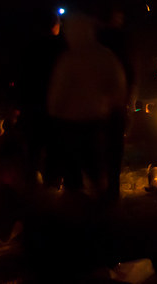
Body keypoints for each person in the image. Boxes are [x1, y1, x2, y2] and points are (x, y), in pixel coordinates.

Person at [45, 13, 128, 202]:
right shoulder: (104, 56)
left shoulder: (69, 59)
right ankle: (98, 198)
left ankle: (80, 201)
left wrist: (54, 110)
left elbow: (58, 90)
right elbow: (118, 85)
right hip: (95, 118)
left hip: (73, 121)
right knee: (94, 166)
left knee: (75, 165)